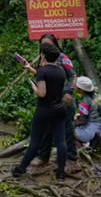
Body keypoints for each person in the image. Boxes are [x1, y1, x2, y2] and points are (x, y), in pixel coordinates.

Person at [13, 42, 68, 181]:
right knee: (61, 141)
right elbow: (50, 79)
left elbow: (42, 93)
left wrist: (33, 86)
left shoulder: (43, 71)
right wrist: (31, 69)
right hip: (59, 109)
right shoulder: (61, 70)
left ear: (43, 55)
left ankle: (21, 169)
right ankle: (61, 173)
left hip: (44, 110)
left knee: (35, 141)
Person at [27, 33, 79, 172]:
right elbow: (43, 76)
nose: (45, 48)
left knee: (66, 129)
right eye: (43, 46)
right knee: (45, 129)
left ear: (55, 45)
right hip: (48, 101)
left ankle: (72, 159)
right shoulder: (43, 60)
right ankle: (43, 157)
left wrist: (68, 92)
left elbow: (72, 75)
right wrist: (32, 71)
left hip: (63, 99)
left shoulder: (63, 58)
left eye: (48, 45)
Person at [73, 76, 101, 146]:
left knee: (69, 131)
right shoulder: (94, 97)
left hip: (92, 130)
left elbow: (83, 121)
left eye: (76, 85)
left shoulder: (84, 101)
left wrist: (73, 123)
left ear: (80, 89)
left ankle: (81, 147)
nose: (74, 85)